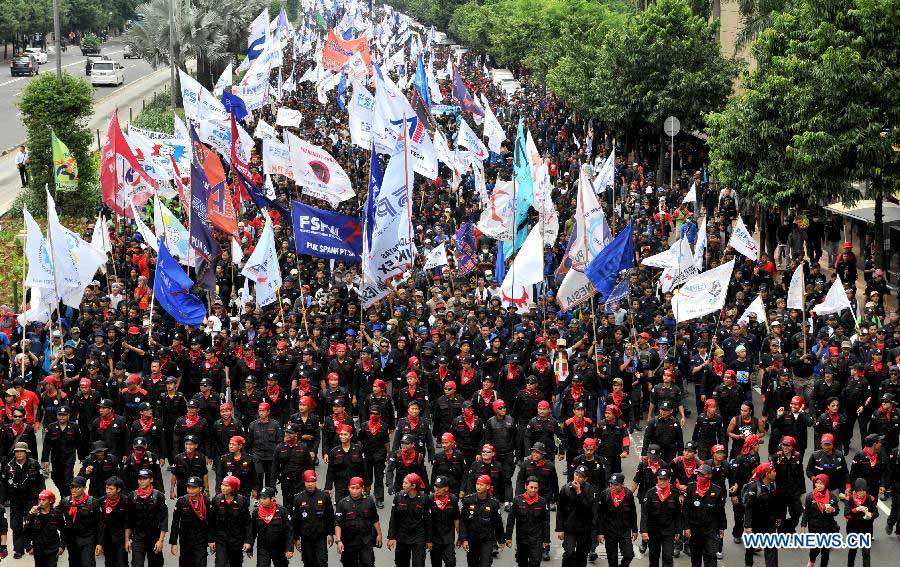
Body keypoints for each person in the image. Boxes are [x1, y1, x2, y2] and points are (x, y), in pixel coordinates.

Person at [5, 440, 44, 558]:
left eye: (22, 451)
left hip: (31, 500)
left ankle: (30, 545)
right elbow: (3, 484)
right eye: (17, 452)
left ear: (26, 453)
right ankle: (18, 549)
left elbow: (41, 482)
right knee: (16, 525)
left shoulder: (35, 464)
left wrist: (42, 497)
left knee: (31, 523)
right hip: (15, 501)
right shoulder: (9, 466)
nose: (19, 454)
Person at [681, 464, 726, 567]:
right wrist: (686, 527)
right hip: (694, 528)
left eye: (702, 475)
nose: (699, 477)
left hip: (710, 528)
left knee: (710, 555)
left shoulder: (717, 490)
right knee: (696, 557)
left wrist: (722, 527)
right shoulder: (691, 489)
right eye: (698, 474)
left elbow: (720, 511)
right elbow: (685, 510)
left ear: (709, 475)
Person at [334, 476, 382, 567]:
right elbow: (338, 524)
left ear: (362, 488)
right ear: (348, 488)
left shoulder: (369, 501)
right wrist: (339, 540)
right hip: (349, 541)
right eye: (352, 488)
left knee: (368, 563)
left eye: (357, 488)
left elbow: (374, 519)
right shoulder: (342, 503)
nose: (355, 491)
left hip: (365, 539)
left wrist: (379, 534)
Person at [125, 469, 168, 567]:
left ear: (151, 479)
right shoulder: (132, 496)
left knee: (156, 564)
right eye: (140, 479)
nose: (141, 481)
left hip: (154, 537)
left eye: (145, 479)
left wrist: (160, 541)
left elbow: (164, 520)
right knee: (137, 564)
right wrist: (127, 540)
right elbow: (128, 520)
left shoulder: (159, 496)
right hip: (137, 537)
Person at [387, 472, 431, 567]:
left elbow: (428, 520)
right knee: (401, 563)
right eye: (403, 482)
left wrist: (429, 540)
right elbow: (393, 518)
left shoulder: (424, 498)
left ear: (413, 485)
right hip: (402, 535)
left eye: (406, 483)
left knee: (418, 563)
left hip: (418, 536)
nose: (403, 485)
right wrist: (392, 537)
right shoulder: (398, 497)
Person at [504, 476, 550, 567]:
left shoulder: (542, 502)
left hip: (536, 539)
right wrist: (508, 537)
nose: (533, 490)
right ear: (526, 486)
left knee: (535, 563)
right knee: (522, 563)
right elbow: (511, 520)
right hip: (522, 540)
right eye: (531, 487)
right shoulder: (517, 501)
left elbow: (546, 522)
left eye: (536, 488)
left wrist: (546, 539)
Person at [459, 475, 504, 567]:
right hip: (472, 538)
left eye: (481, 485)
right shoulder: (468, 500)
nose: (478, 487)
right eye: (477, 484)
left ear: (488, 486)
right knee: (472, 564)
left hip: (487, 538)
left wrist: (501, 540)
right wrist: (464, 539)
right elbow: (463, 521)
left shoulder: (493, 503)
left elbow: (498, 523)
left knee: (486, 563)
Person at [292, 470, 334, 567]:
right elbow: (295, 520)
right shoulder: (298, 499)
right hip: (306, 537)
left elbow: (330, 516)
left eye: (312, 481)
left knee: (322, 562)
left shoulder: (324, 497)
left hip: (320, 537)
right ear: (304, 482)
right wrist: (296, 538)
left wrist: (330, 533)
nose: (310, 484)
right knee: (308, 563)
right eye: (308, 482)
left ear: (316, 481)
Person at [640, 468, 681, 567]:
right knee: (654, 557)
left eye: (665, 479)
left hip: (668, 530)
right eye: (660, 479)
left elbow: (678, 514)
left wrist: (678, 531)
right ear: (657, 479)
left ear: (669, 479)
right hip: (653, 530)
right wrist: (644, 531)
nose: (662, 482)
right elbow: (644, 514)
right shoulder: (650, 493)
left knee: (668, 556)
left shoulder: (675, 494)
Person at [556, 465, 596, 567]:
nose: (577, 478)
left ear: (585, 479)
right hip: (569, 528)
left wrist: (579, 492)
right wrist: (560, 529)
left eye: (581, 476)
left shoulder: (590, 490)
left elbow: (588, 508)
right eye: (576, 475)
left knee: (582, 555)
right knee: (569, 553)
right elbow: (560, 510)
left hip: (584, 528)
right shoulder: (565, 489)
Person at [596, 473, 638, 567]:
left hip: (625, 530)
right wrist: (600, 532)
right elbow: (600, 515)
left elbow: (633, 513)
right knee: (612, 558)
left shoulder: (628, 495)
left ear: (622, 484)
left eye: (616, 484)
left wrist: (635, 530)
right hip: (610, 531)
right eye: (611, 483)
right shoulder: (604, 495)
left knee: (629, 555)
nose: (612, 486)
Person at [169, 476, 212, 567]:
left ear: (200, 488)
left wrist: (211, 540)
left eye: (194, 488)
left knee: (200, 563)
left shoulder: (206, 501)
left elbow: (211, 522)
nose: (190, 490)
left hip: (201, 540)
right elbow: (175, 523)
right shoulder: (182, 501)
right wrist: (173, 543)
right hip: (186, 540)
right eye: (189, 487)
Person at [245, 486, 293, 567]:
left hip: (279, 547)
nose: (261, 500)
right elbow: (252, 531)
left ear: (272, 498)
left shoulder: (282, 512)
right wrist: (249, 546)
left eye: (265, 498)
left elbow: (289, 531)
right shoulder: (256, 513)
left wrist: (289, 548)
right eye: (261, 498)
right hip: (263, 547)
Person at [742, 462, 779, 567]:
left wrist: (778, 518)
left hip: (769, 523)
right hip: (755, 523)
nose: (775, 473)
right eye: (773, 471)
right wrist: (747, 526)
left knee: (771, 548)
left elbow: (774, 504)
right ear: (767, 474)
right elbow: (748, 507)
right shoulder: (754, 487)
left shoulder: (773, 485)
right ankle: (748, 564)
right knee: (750, 547)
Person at [210, 475, 250, 567]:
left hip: (237, 539)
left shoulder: (241, 501)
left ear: (233, 488)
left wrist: (247, 541)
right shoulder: (217, 500)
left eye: (227, 485)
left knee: (236, 563)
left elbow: (247, 523)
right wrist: (211, 539)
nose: (223, 487)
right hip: (221, 539)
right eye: (222, 484)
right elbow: (211, 521)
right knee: (220, 563)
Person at [800, 474, 840, 567]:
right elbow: (806, 513)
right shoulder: (810, 497)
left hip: (828, 527)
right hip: (814, 527)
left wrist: (832, 510)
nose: (818, 485)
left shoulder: (832, 497)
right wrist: (803, 525)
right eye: (817, 483)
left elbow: (837, 510)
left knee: (825, 551)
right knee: (815, 549)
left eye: (821, 483)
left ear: (826, 484)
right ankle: (812, 561)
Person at [40, 405, 78, 495]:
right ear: (57, 415)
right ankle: (64, 493)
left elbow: (79, 442)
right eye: (60, 414)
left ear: (68, 416)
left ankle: (68, 497)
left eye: (64, 415)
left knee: (68, 478)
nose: (62, 417)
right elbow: (47, 444)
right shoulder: (51, 427)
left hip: (69, 456)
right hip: (56, 457)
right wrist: (45, 460)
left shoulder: (74, 426)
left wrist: (82, 457)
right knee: (56, 477)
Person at [23, 489, 64, 567]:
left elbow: (64, 530)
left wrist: (62, 546)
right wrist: (28, 547)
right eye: (40, 500)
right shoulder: (33, 514)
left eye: (43, 500)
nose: (40, 502)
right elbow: (26, 531)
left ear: (51, 501)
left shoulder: (57, 514)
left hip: (53, 549)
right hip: (38, 549)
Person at [845, 478, 878, 567]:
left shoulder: (870, 499)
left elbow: (876, 513)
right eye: (859, 491)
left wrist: (870, 514)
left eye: (863, 491)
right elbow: (846, 514)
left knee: (866, 552)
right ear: (855, 490)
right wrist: (856, 509)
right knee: (853, 550)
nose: (861, 493)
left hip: (866, 529)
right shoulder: (850, 499)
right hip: (853, 528)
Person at [428, 475, 460, 567]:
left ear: (446, 488)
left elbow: (456, 518)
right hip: (434, 538)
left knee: (451, 562)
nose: (436, 489)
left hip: (448, 537)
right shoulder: (430, 499)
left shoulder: (453, 499)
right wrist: (427, 540)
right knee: (436, 563)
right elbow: (426, 521)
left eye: (439, 487)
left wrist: (460, 536)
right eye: (435, 486)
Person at [98, 476, 129, 567]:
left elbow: (129, 521)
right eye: (107, 488)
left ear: (118, 489)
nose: (108, 491)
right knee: (109, 562)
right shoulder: (101, 501)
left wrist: (128, 539)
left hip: (121, 537)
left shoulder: (126, 501)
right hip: (107, 538)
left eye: (111, 489)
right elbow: (99, 523)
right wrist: (99, 542)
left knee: (122, 562)